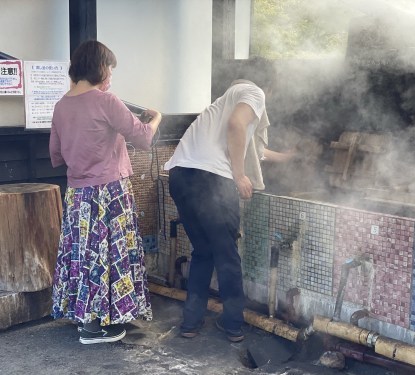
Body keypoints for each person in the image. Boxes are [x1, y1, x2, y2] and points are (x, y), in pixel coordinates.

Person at [164, 58, 294, 342]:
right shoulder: (254, 92)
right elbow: (237, 126)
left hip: (181, 175)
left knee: (203, 251)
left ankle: (191, 323)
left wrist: (287, 158)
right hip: (212, 180)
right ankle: (233, 325)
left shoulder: (221, 101)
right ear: (267, 86)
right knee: (227, 255)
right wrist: (239, 175)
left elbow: (250, 147)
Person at [49, 40, 162, 345]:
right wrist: (156, 118)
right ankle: (96, 328)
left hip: (78, 196)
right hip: (110, 193)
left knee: (84, 255)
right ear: (100, 68)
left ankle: (86, 319)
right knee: (110, 256)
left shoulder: (61, 105)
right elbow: (143, 139)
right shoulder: (106, 101)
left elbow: (56, 156)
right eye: (110, 68)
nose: (111, 75)